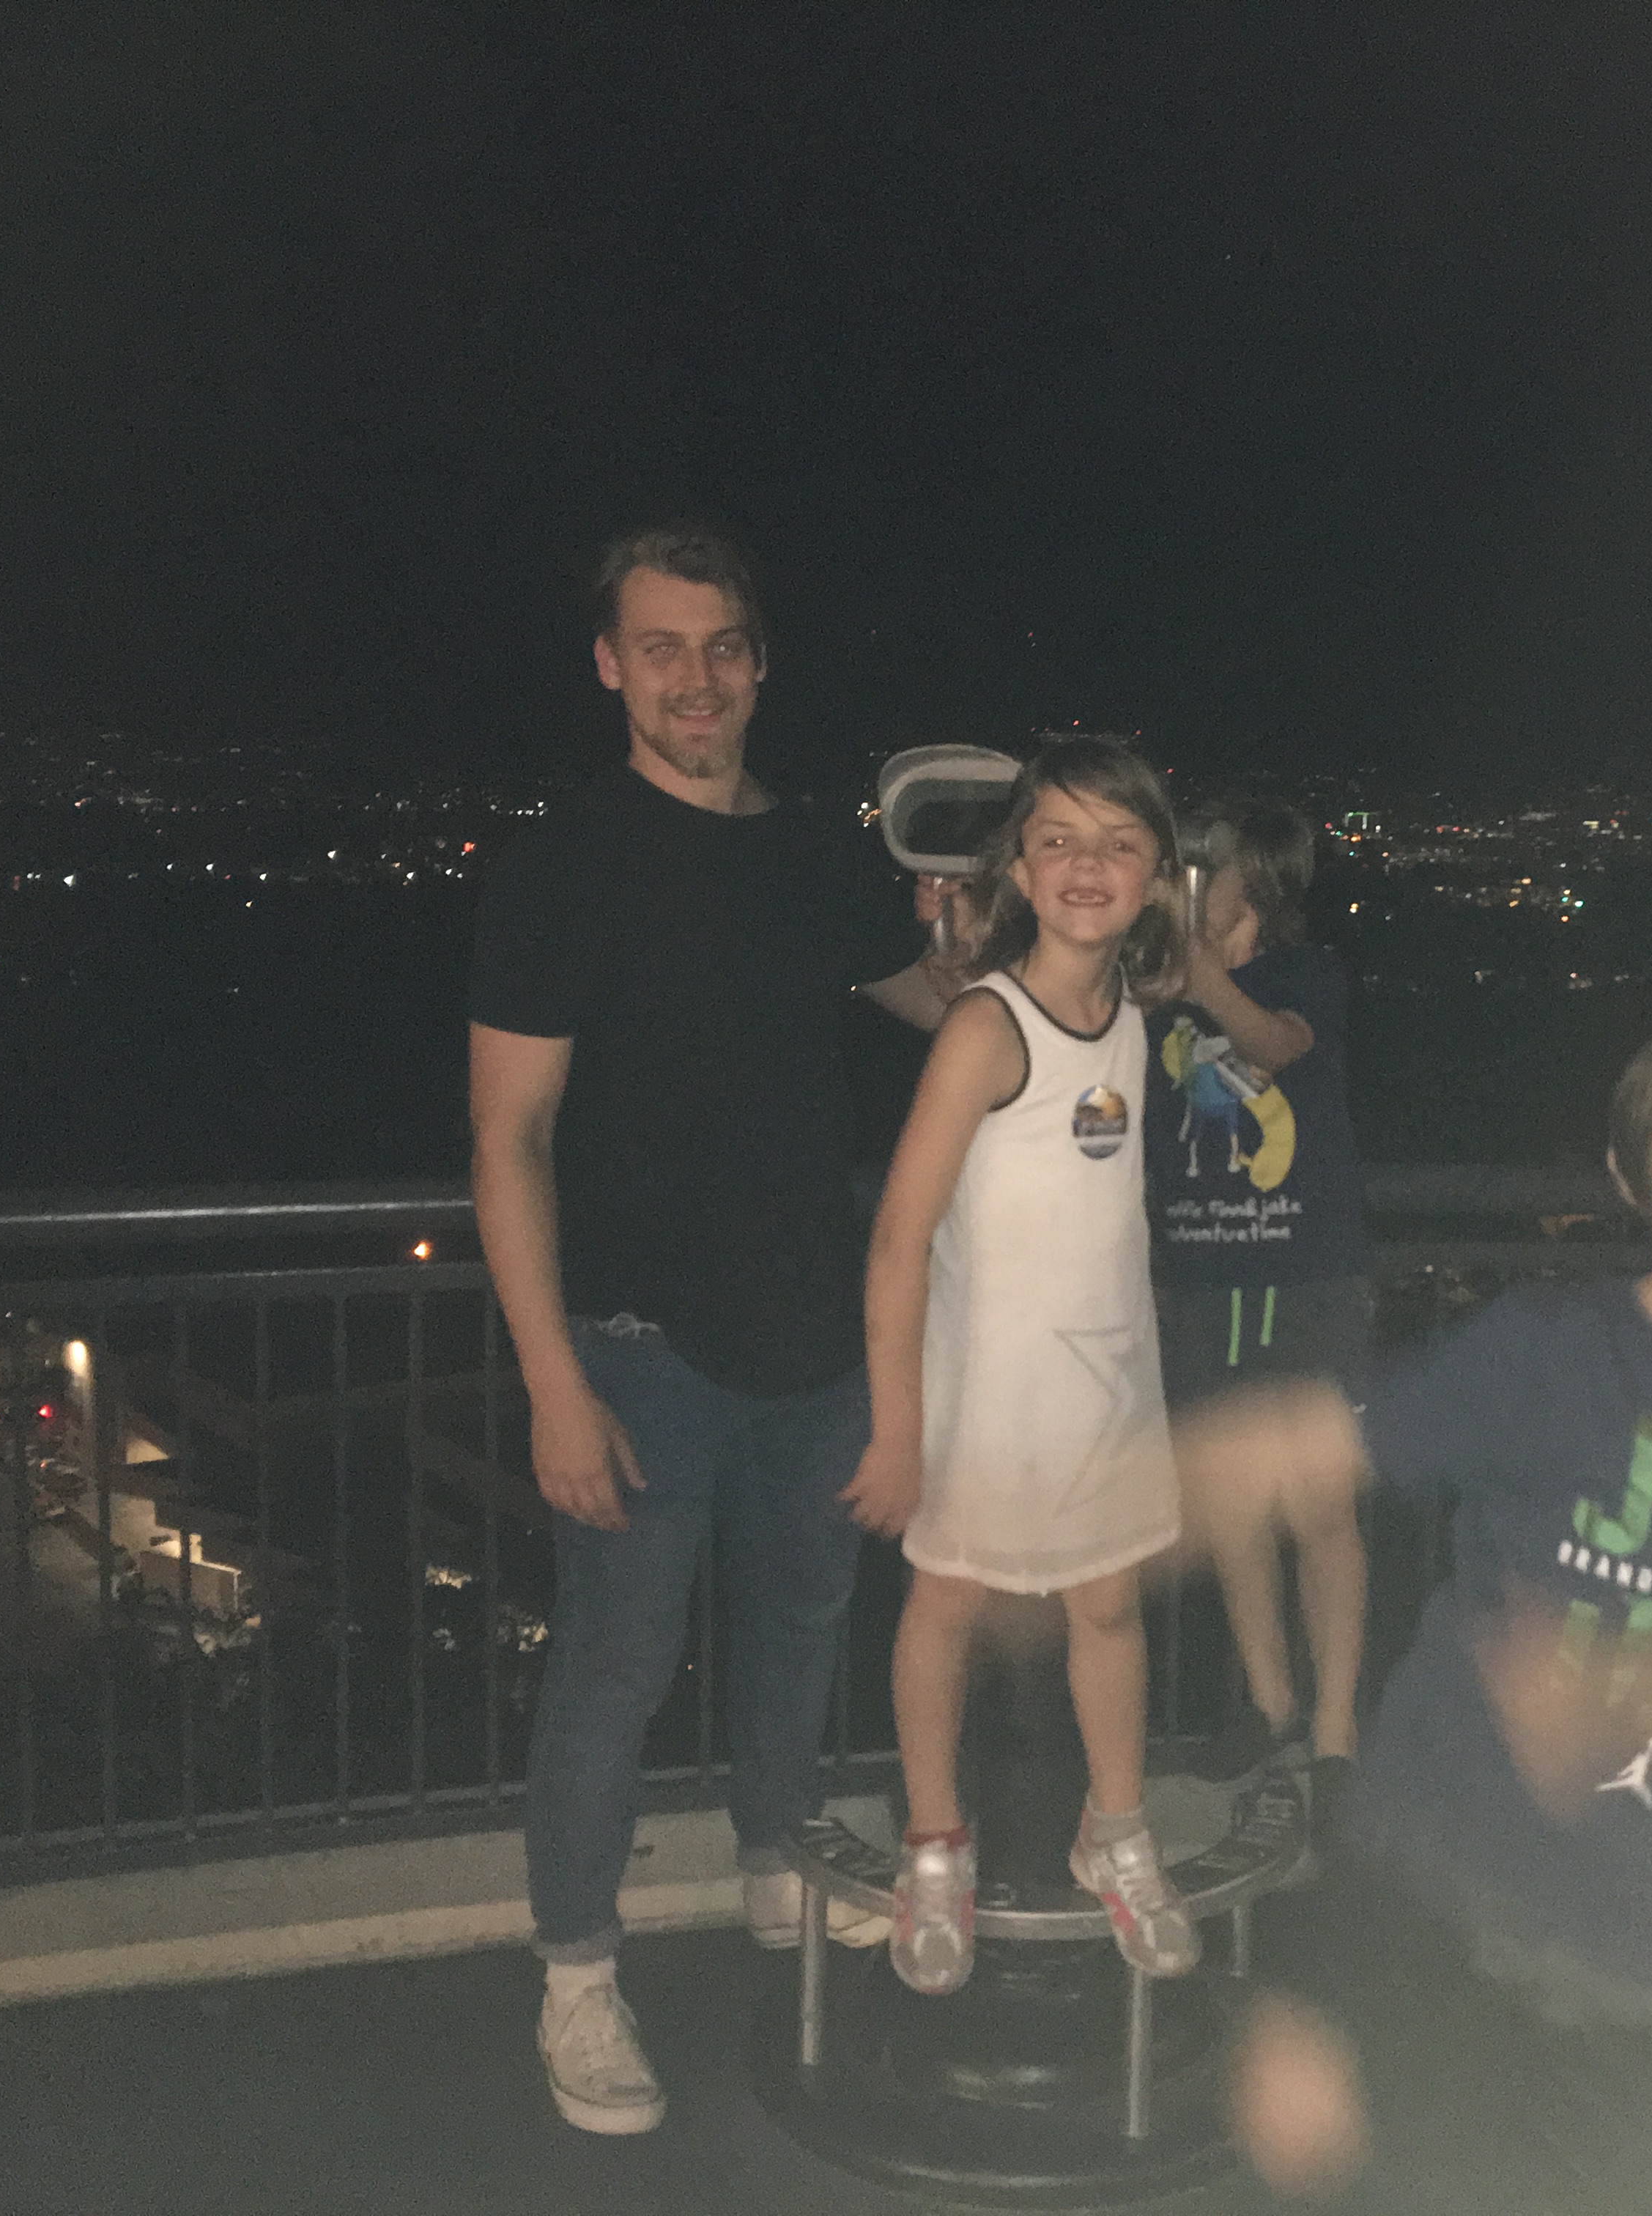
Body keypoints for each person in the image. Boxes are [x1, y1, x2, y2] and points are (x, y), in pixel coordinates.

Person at [1177, 1011, 1652, 2201]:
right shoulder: (1547, 1347)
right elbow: (1318, 1441)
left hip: (1626, 1922)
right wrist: (1102, 1506)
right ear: (1631, 1177)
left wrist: (1632, 1697)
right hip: (1426, 1873)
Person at [469, 522, 955, 2136]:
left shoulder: (815, 851)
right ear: (610, 665)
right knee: (613, 1672)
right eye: (662, 647)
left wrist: (994, 940)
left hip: (820, 1340)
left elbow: (944, 1008)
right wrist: (553, 1382)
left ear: (760, 664)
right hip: (640, 1348)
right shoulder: (565, 863)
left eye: (724, 645)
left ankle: (775, 1862)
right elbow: (509, 1141)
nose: (697, 678)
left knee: (801, 1632)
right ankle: (576, 1974)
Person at [840, 736, 1204, 1996]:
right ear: (1020, 867)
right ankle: (935, 1843)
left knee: (1107, 1609)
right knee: (945, 1609)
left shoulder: (1134, 1018)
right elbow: (899, 1238)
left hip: (1107, 1389)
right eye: (1058, 840)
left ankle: (1117, 1831)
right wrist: (898, 1431)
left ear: (1156, 873)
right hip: (984, 1399)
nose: (1087, 866)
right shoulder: (986, 1028)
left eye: (1119, 843)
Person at [1144, 802, 1371, 1819]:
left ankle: (1336, 1733)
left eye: (1207, 860)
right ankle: (1271, 1705)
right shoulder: (1156, 989)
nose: (1186, 873)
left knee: (1321, 1507)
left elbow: (1274, 1046)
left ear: (1261, 880)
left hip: (1305, 1278)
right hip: (1201, 1284)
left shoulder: (1302, 972)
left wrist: (1199, 978)